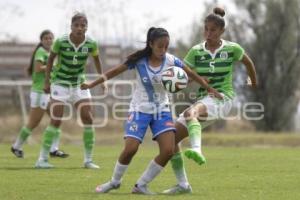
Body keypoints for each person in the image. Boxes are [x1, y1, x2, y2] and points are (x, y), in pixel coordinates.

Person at [81, 27, 222, 194]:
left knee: (168, 150)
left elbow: (190, 73)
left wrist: (208, 87)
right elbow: (114, 71)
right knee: (130, 149)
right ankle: (114, 182)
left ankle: (141, 185)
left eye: (166, 46)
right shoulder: (139, 61)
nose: (163, 50)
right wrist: (92, 84)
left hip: (162, 110)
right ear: (151, 44)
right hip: (140, 109)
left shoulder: (171, 61)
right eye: (160, 46)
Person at [162, 7, 257, 194]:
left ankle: (196, 149)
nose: (208, 33)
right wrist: (177, 81)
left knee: (191, 113)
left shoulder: (232, 49)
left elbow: (248, 62)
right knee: (170, 139)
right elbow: (186, 76)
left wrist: (252, 81)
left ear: (221, 31)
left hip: (223, 97)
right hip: (204, 98)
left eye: (212, 30)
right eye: (206, 29)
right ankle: (183, 185)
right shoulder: (196, 51)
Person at [34, 13, 106, 169]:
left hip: (79, 84)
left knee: (88, 118)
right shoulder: (61, 41)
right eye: (77, 25)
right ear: (71, 26)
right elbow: (51, 59)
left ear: (87, 27)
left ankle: (88, 161)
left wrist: (102, 79)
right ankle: (42, 160)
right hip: (60, 83)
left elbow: (97, 60)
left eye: (83, 25)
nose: (80, 28)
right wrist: (47, 82)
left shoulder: (91, 43)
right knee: (56, 119)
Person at [11, 30, 69, 159]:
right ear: (41, 41)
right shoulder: (41, 52)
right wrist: (54, 66)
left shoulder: (50, 53)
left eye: (50, 38)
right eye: (46, 38)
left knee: (57, 119)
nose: (49, 40)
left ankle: (54, 149)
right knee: (33, 123)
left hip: (48, 92)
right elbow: (38, 69)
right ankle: (16, 146)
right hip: (39, 92)